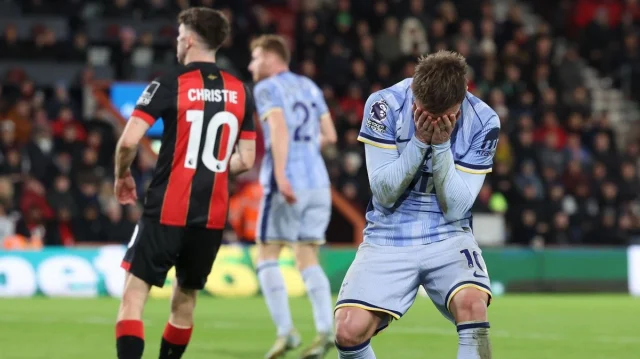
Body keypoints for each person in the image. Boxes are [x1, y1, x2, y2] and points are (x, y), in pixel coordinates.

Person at [334, 51, 500, 359]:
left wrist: (440, 146)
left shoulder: (485, 121)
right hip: (388, 232)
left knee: (473, 305)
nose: (433, 120)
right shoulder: (384, 105)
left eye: (445, 115)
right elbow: (383, 193)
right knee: (347, 331)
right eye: (424, 111)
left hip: (448, 233)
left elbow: (456, 207)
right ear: (415, 91)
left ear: (461, 99)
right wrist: (420, 142)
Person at [113, 8, 257, 359]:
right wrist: (214, 167)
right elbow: (247, 158)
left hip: (166, 209)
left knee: (134, 295)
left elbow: (130, 141)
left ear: (189, 40)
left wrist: (122, 176)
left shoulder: (170, 83)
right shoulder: (239, 92)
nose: (178, 42)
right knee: (185, 300)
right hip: (210, 217)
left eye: (179, 36)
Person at [248, 34, 338, 359]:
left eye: (256, 57)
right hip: (319, 182)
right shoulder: (310, 86)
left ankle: (285, 332)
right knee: (307, 256)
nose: (251, 65)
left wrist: (283, 172)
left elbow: (279, 128)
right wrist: (307, 152)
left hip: (289, 182)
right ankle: (326, 329)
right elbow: (330, 135)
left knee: (267, 253)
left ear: (272, 58)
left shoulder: (266, 88)